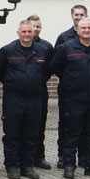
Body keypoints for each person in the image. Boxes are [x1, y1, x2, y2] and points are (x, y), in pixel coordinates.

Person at [51, 18, 90, 179]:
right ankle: (69, 166)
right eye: (83, 28)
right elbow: (56, 67)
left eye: (89, 28)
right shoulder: (66, 48)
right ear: (77, 30)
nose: (86, 30)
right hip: (74, 99)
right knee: (72, 133)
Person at [0, 20, 51, 179]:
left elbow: (46, 71)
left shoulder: (42, 50)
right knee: (12, 133)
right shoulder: (8, 50)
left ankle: (27, 166)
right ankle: (12, 166)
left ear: (34, 33)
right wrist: (15, 83)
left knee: (31, 133)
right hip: (14, 98)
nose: (27, 34)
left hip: (35, 98)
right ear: (18, 33)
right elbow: (0, 71)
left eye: (29, 31)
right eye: (23, 31)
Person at [27, 14, 54, 170]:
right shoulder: (15, 46)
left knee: (39, 125)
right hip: (22, 94)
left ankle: (39, 157)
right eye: (33, 26)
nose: (35, 29)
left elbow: (50, 68)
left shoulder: (46, 47)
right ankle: (24, 157)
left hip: (40, 91)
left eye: (38, 26)